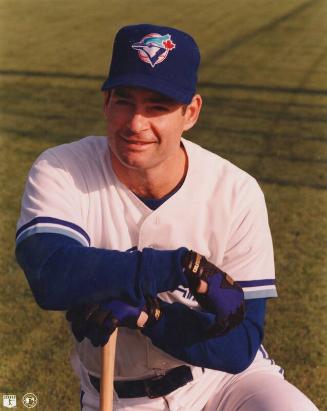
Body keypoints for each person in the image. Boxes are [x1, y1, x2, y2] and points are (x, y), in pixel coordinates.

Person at [15, 24, 318, 411]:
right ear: (107, 101)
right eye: (125, 101)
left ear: (190, 112)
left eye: (157, 107)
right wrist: (178, 267)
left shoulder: (235, 191)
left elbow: (239, 344)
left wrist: (148, 314)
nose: (136, 123)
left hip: (224, 384)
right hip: (115, 396)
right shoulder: (63, 170)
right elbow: (52, 274)